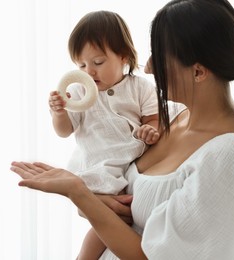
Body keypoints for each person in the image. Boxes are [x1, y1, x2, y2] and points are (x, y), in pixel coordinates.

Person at [11, 0, 234, 259]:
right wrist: (95, 198)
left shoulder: (232, 159)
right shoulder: (169, 119)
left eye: (157, 56)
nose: (147, 67)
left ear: (199, 72)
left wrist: (78, 193)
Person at [48, 11, 160, 259]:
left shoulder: (140, 87)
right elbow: (64, 131)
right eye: (81, 65)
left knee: (118, 222)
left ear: (123, 57)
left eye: (98, 63)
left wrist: (150, 130)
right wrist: (59, 112)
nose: (89, 72)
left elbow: (153, 119)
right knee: (106, 220)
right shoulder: (78, 92)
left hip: (130, 165)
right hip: (99, 168)